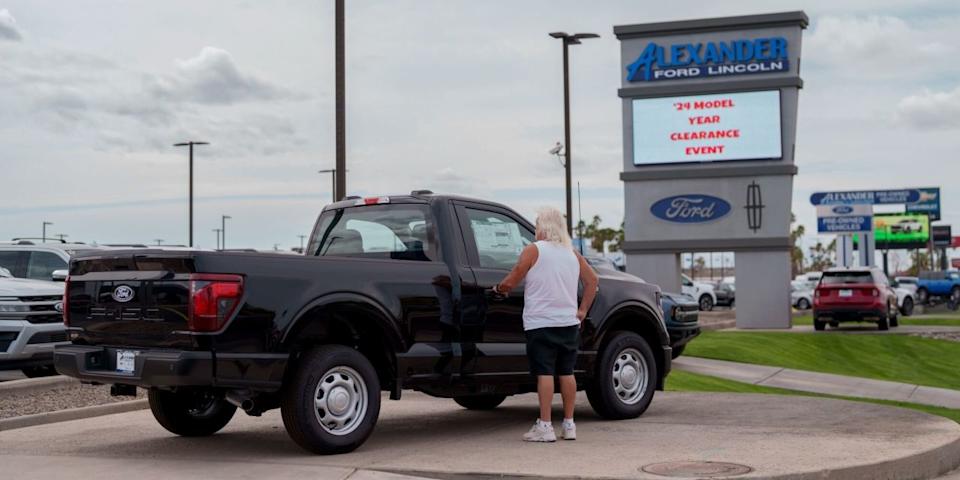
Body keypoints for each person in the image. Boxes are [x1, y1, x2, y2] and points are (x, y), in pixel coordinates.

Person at [493, 207, 599, 442]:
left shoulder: (534, 250)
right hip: (568, 324)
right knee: (567, 372)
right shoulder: (572, 254)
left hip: (541, 323)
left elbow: (515, 275)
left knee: (545, 373)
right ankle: (569, 425)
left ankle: (545, 426)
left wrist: (500, 289)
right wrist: (582, 311)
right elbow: (593, 281)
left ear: (543, 226)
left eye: (537, 224)